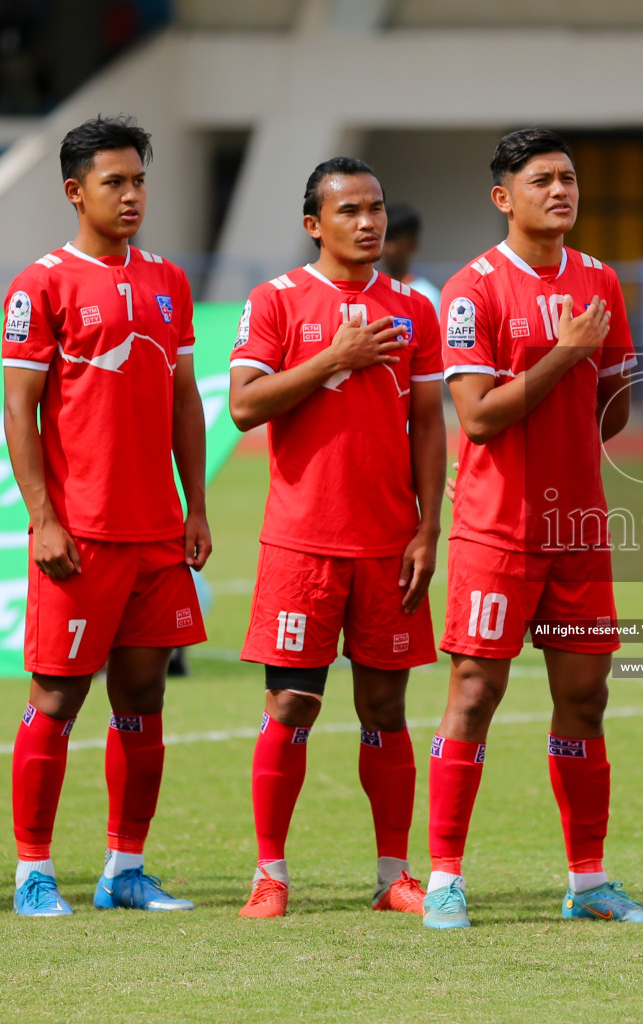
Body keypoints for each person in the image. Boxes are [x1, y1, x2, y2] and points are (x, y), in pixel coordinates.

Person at [426, 128, 643, 930]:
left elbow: (615, 408)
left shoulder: (600, 280)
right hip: (498, 529)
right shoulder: (472, 290)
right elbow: (478, 418)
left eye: (568, 178)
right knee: (474, 692)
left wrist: (583, 380)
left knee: (585, 698)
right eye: (542, 180)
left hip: (579, 530)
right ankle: (444, 878)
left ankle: (589, 882)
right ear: (505, 197)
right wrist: (565, 357)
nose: (561, 191)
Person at [0, 116, 209, 916]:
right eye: (114, 182)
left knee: (143, 699)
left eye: (139, 181)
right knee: (55, 700)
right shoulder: (41, 283)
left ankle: (125, 868)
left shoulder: (168, 280)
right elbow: (20, 409)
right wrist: (43, 518)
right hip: (79, 535)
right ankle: (32, 873)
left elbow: (185, 401)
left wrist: (193, 506)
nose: (131, 196)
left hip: (157, 533)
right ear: (74, 191)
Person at [227, 157, 445, 919]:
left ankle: (393, 876)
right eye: (349, 210)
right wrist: (333, 360)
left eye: (376, 208)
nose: (369, 222)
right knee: (291, 706)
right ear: (315, 224)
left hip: (389, 544)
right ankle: (270, 875)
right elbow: (244, 407)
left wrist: (428, 527)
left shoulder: (413, 309)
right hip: (302, 543)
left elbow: (428, 424)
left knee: (386, 708)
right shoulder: (276, 300)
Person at [380, 202, 441, 308]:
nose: (382, 247)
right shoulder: (371, 292)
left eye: (390, 239)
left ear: (412, 244)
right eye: (380, 238)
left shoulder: (428, 297)